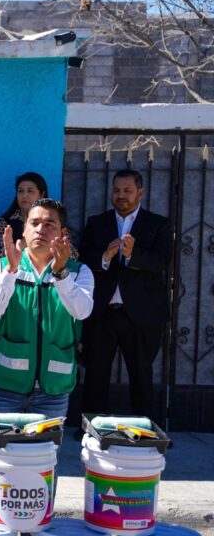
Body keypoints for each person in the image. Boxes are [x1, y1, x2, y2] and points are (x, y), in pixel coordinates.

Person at [0, 199, 94, 514]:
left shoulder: (79, 272)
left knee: (43, 464)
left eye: (49, 224)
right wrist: (11, 271)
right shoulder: (3, 266)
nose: (41, 229)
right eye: (34, 223)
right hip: (5, 385)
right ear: (24, 230)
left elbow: (82, 310)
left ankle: (34, 530)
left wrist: (61, 274)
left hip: (53, 390)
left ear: (63, 234)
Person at [80, 169, 172, 422]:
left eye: (127, 191)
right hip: (103, 312)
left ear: (140, 192)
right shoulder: (96, 223)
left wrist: (132, 255)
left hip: (141, 315)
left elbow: (162, 261)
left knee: (141, 374)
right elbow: (82, 257)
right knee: (96, 372)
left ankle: (145, 429)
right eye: (117, 190)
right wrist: (105, 257)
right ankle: (91, 426)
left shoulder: (157, 224)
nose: (121, 195)